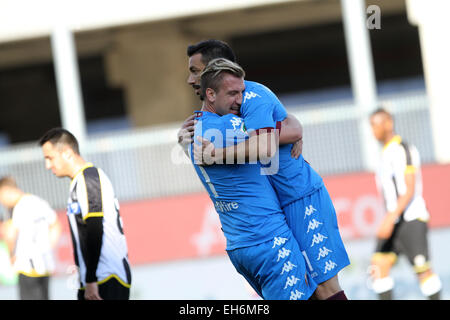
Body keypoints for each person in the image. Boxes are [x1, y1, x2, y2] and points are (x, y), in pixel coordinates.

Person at [179, 39, 349, 300]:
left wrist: (215, 155)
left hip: (299, 197)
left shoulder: (251, 98)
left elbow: (266, 144)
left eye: (195, 71)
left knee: (325, 287)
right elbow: (283, 130)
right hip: (275, 210)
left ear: (217, 71)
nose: (191, 80)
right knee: (310, 292)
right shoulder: (225, 114)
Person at [190, 58, 317, 300]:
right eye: (232, 93)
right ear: (210, 94)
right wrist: (293, 131)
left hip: (239, 246)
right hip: (268, 239)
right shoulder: (228, 125)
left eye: (242, 92)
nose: (240, 100)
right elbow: (273, 138)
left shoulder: (197, 130)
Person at [39, 128, 131, 300]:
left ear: (66, 153)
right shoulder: (78, 182)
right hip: (95, 278)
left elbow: (95, 229)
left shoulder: (89, 178)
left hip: (107, 277)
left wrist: (90, 279)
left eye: (49, 158)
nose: (48, 165)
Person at [369, 108, 442, 300]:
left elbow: (409, 189)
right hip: (394, 222)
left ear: (388, 123)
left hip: (411, 219)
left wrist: (389, 218)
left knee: (423, 271)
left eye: (376, 124)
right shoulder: (383, 154)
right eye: (371, 126)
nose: (373, 130)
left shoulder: (403, 149)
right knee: (378, 267)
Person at [0, 176, 61, 300]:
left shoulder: (18, 207)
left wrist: (11, 255)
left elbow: (11, 235)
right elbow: (56, 225)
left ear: (6, 190)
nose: (2, 202)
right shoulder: (38, 201)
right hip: (44, 264)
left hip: (27, 265)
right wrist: (47, 247)